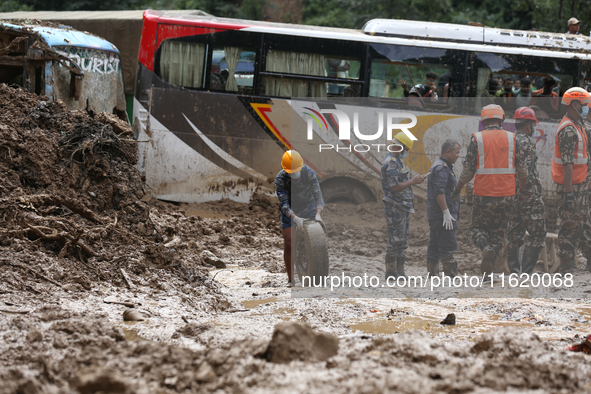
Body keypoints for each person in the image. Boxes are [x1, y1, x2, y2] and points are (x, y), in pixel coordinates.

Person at [451, 104, 528, 278]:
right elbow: (523, 171)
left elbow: (467, 172)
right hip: (507, 195)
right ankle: (488, 272)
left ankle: (485, 248)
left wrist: (457, 189)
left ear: (483, 120)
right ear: (502, 119)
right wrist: (522, 191)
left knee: (477, 228)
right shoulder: (513, 138)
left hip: (483, 194)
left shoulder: (477, 139)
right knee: (498, 232)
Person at [552, 87, 591, 274]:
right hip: (572, 187)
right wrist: (568, 193)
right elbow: (568, 164)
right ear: (576, 104)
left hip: (579, 185)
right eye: (584, 104)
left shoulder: (578, 124)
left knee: (579, 224)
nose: (587, 107)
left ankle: (574, 264)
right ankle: (566, 266)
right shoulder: (568, 129)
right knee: (569, 225)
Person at [506, 107, 547, 274]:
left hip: (511, 193)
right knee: (538, 234)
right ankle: (526, 273)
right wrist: (526, 191)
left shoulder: (510, 140)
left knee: (514, 234)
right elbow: (526, 171)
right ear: (529, 124)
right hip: (527, 193)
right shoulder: (528, 142)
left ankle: (515, 273)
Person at [275, 150, 324, 284]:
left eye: (296, 170)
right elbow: (283, 204)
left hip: (308, 208)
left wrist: (318, 214)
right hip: (290, 211)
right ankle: (291, 279)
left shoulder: (309, 173)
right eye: (291, 171)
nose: (294, 174)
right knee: (289, 241)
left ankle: (314, 274)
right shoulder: (280, 179)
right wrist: (294, 218)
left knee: (315, 242)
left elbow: (318, 196)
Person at [381, 132, 425, 279]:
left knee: (402, 239)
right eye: (406, 150)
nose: (406, 153)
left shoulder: (397, 161)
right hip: (395, 206)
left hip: (402, 206)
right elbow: (394, 187)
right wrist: (412, 181)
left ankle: (400, 272)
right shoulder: (391, 162)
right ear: (401, 147)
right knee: (395, 239)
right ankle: (391, 273)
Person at [426, 139, 461, 278]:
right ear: (448, 152)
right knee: (448, 244)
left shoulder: (439, 165)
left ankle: (433, 275)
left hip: (436, 214)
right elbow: (439, 192)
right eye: (457, 152)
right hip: (442, 214)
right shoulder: (442, 168)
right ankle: (451, 275)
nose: (458, 155)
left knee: (434, 244)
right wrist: (446, 212)